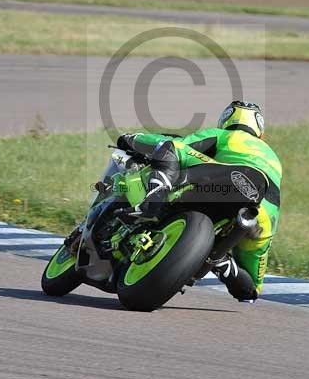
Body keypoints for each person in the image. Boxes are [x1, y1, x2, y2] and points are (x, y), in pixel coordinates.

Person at [116, 101, 283, 303]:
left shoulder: (224, 135)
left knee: (169, 148)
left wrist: (130, 139)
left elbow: (182, 145)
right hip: (263, 212)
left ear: (225, 120)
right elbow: (275, 198)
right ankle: (221, 261)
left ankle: (154, 201)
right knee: (252, 289)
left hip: (227, 177)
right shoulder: (274, 158)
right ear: (260, 132)